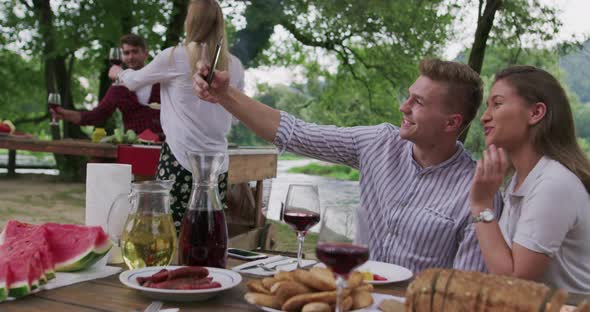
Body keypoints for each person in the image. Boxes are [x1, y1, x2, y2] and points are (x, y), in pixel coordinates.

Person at [193, 58, 502, 273]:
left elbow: (463, 286)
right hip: (353, 296)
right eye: (408, 97)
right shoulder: (379, 141)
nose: (403, 107)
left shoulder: (479, 194)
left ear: (452, 122)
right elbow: (295, 133)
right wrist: (225, 94)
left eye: (418, 103)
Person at [109, 0, 245, 233]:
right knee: (207, 233)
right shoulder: (234, 64)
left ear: (190, 22)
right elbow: (235, 117)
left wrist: (119, 73)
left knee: (168, 232)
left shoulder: (174, 56)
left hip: (178, 158)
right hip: (217, 164)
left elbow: (133, 82)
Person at [469, 66, 590, 294]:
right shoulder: (517, 180)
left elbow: (514, 280)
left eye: (497, 104)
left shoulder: (554, 183)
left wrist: (481, 205)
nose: (485, 117)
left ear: (535, 113)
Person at [51, 34, 163, 137]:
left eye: (135, 52)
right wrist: (65, 114)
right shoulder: (118, 87)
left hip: (168, 144)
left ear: (145, 54)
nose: (130, 57)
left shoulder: (161, 79)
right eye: (126, 53)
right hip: (133, 145)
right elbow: (97, 115)